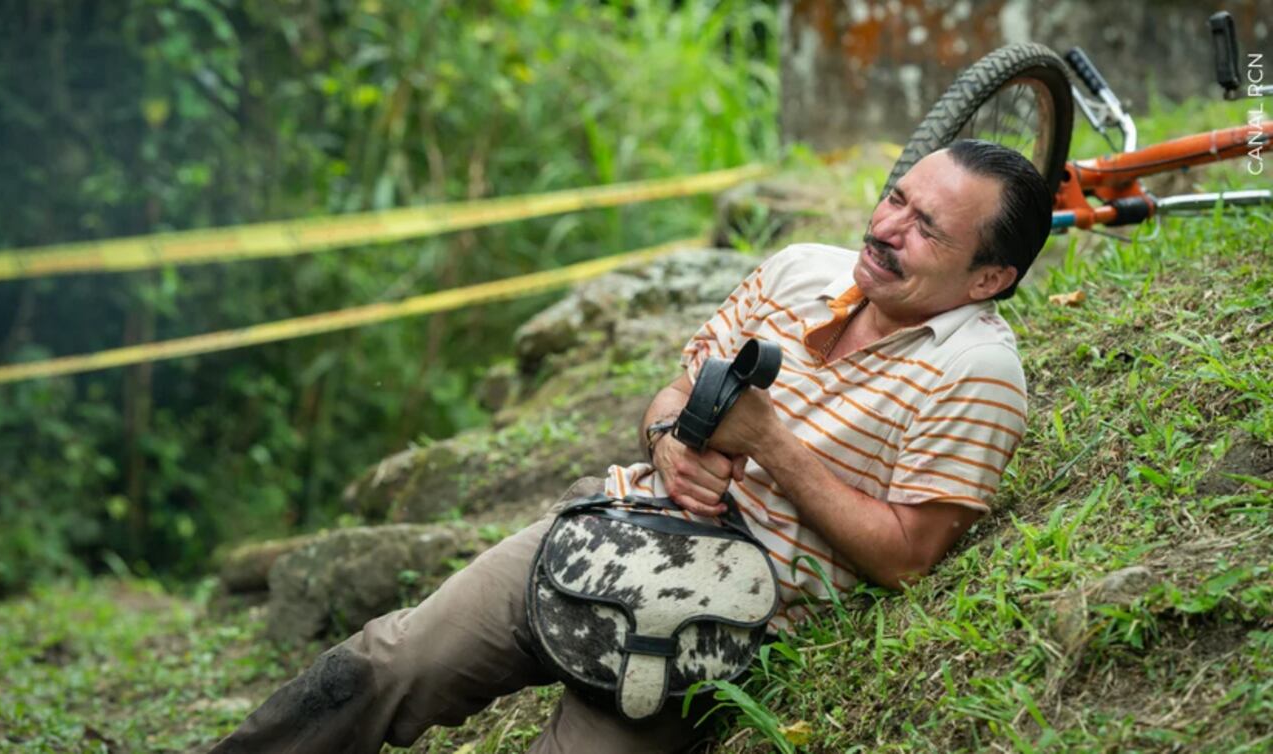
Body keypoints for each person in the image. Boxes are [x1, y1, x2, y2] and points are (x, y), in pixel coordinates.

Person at [209, 138, 1052, 754]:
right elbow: (679, 391)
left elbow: (907, 556)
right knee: (381, 665)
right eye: (896, 197)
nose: (888, 227)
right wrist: (665, 443)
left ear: (986, 279)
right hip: (610, 529)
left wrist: (772, 443)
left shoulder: (975, 369)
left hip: (719, 625)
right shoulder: (801, 269)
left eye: (927, 228)